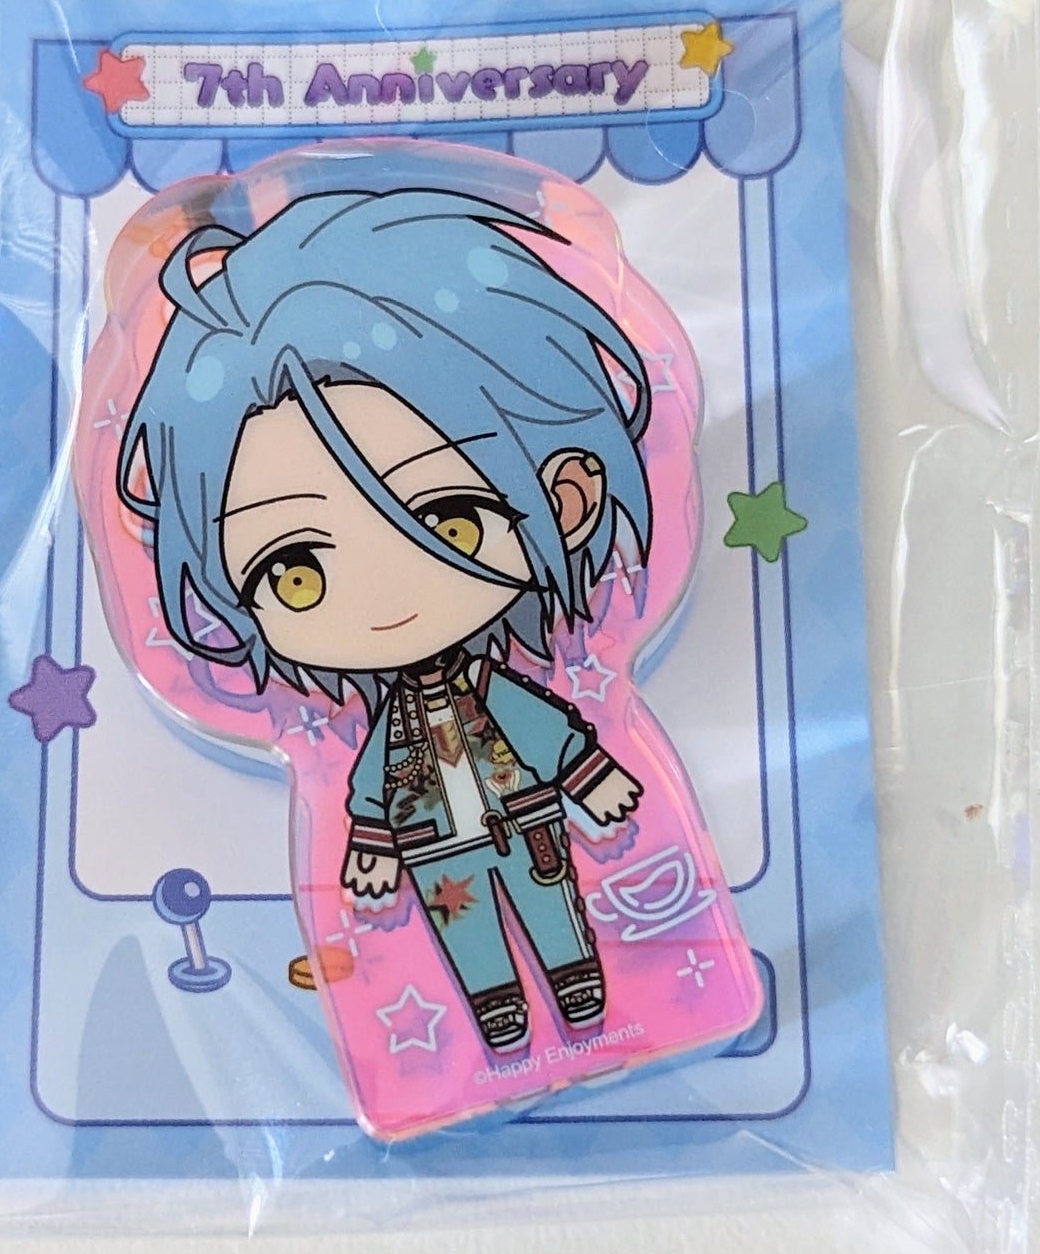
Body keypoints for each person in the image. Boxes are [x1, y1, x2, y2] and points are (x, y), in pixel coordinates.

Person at [120, 176, 651, 1055]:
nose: (385, 595)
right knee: (467, 932)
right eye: (294, 573)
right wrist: (370, 845)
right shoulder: (395, 726)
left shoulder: (494, 694)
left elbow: (545, 727)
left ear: (565, 499)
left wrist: (589, 777)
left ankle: (577, 980)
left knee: (552, 905)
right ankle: (497, 1008)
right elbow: (372, 781)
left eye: (449, 521)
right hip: (436, 854)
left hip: (528, 821)